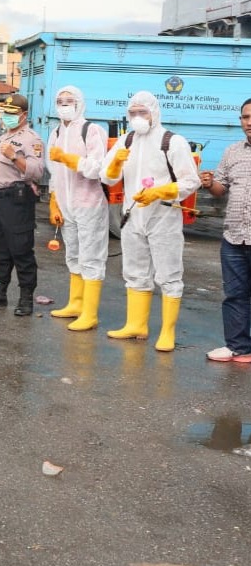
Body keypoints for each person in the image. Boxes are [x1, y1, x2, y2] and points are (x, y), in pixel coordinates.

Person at [100, 90, 200, 352]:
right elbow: (107, 177)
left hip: (163, 216)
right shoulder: (126, 140)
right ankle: (136, 324)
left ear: (154, 112)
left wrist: (160, 191)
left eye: (142, 112)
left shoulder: (172, 142)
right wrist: (115, 164)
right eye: (132, 113)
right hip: (133, 215)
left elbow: (191, 181)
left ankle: (167, 331)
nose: (137, 117)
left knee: (169, 273)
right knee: (134, 271)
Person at [0, 94, 44, 316]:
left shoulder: (31, 139)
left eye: (12, 114)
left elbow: (37, 172)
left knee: (21, 250)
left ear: (24, 115)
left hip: (17, 200)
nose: (7, 117)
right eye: (5, 113)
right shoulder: (5, 136)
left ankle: (26, 298)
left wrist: (14, 157)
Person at [46, 85, 110, 331]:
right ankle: (75, 303)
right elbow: (53, 172)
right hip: (66, 204)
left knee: (91, 257)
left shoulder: (91, 130)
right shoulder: (55, 133)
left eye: (69, 100)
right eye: (60, 101)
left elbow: (97, 168)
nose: (64, 105)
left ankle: (90, 313)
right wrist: (54, 202)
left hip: (88, 203)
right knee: (73, 254)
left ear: (79, 103)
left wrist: (69, 159)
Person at [201, 98, 251, 362]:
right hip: (234, 237)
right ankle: (238, 346)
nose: (249, 122)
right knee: (235, 294)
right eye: (245, 117)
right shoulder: (232, 152)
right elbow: (220, 190)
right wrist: (210, 183)